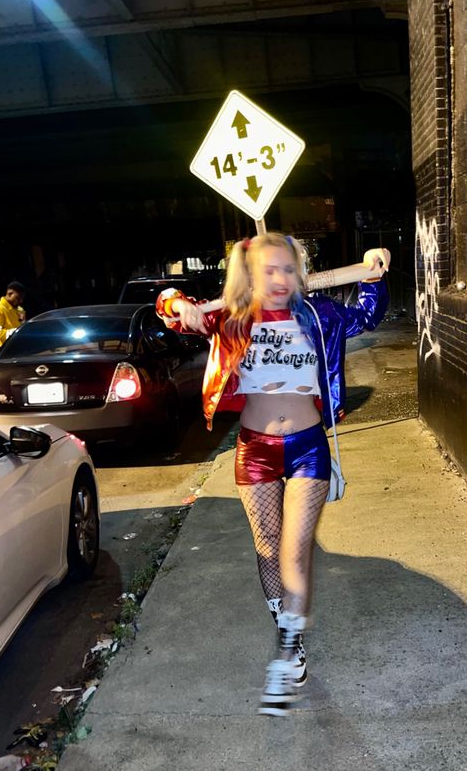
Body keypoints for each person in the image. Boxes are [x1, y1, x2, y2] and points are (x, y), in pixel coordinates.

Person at [156, 232, 390, 715]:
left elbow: (367, 316)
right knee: (267, 549)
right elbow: (165, 307)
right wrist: (182, 305)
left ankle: (288, 651)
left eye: (288, 269)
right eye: (269, 271)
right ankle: (286, 628)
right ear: (249, 275)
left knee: (294, 551)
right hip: (255, 450)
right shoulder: (232, 319)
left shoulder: (317, 316)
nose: (280, 279)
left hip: (307, 448)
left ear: (300, 271)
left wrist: (373, 271)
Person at [0, 281, 25, 346]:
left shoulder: (20, 309)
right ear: (10, 293)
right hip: (8, 351)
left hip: (21, 347)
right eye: (18, 298)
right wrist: (18, 332)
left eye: (22, 298)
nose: (21, 301)